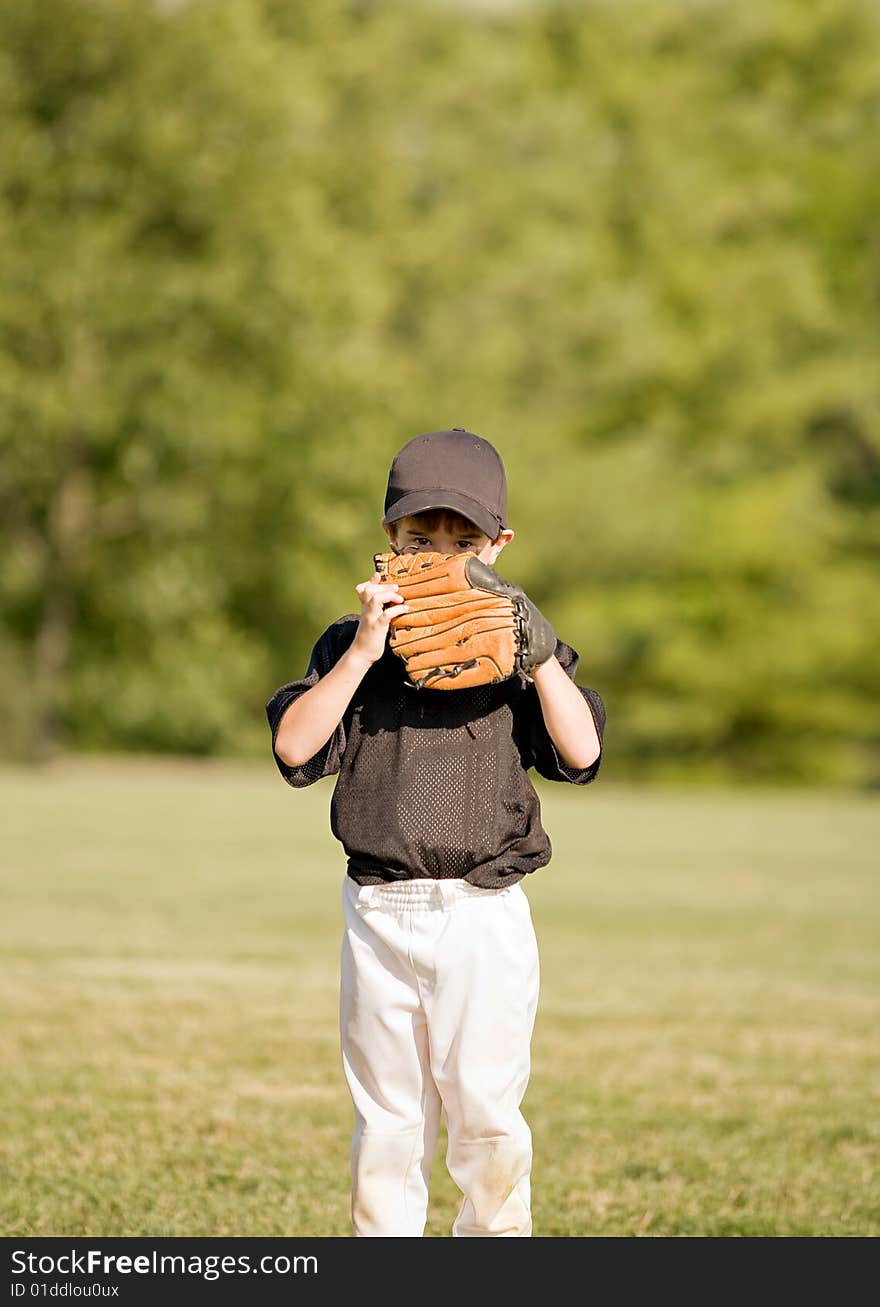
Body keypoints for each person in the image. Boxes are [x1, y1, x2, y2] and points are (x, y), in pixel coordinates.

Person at [265, 427, 605, 1237]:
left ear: (500, 545)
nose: (441, 553)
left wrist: (540, 650)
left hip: (483, 909)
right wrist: (362, 651)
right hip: (378, 911)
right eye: (421, 537)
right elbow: (294, 745)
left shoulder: (516, 645)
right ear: (389, 541)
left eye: (465, 540)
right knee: (388, 1120)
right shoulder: (353, 648)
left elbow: (582, 750)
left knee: (486, 1112)